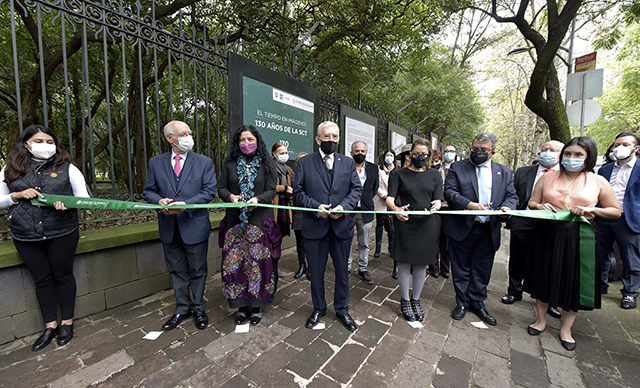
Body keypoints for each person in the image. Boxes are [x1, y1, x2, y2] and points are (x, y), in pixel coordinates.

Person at [525, 136, 620, 351]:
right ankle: (540, 320)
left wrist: (592, 210)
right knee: (543, 275)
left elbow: (615, 211)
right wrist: (540, 207)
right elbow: (532, 202)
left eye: (578, 155)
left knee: (574, 280)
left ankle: (566, 329)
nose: (571, 158)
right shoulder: (547, 178)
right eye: (568, 154)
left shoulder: (598, 181)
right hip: (547, 233)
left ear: (588, 158)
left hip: (580, 237)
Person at [0, 125, 89, 351]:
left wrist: (67, 203)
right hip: (25, 235)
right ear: (26, 143)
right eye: (40, 141)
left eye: (50, 142)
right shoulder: (9, 170)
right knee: (42, 279)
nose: (46, 146)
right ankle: (50, 326)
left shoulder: (67, 168)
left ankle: (67, 323)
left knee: (63, 276)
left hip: (62, 232)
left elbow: (84, 198)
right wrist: (16, 195)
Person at [143, 120, 217, 331]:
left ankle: (199, 308)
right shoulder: (156, 162)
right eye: (183, 134)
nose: (188, 137)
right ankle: (182, 308)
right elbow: (148, 191)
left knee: (198, 270)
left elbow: (209, 191)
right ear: (170, 138)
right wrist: (159, 201)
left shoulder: (203, 162)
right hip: (169, 226)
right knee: (176, 270)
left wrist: (188, 205)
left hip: (194, 225)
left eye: (189, 133)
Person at [294, 121, 362, 331]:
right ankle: (318, 308)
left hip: (341, 226)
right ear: (318, 139)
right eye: (326, 137)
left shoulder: (348, 163)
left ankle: (342, 309)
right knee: (316, 271)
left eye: (334, 137)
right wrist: (316, 207)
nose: (331, 140)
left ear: (339, 139)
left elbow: (356, 189)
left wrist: (343, 207)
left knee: (342, 271)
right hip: (315, 226)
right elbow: (298, 193)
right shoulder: (305, 163)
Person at [444, 133, 517, 326]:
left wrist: (507, 210)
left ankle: (477, 303)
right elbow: (450, 192)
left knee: (482, 270)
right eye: (474, 148)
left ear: (493, 151)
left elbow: (511, 197)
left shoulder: (505, 172)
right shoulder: (457, 168)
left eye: (483, 149)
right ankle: (462, 303)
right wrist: (469, 204)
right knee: (461, 268)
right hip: (463, 227)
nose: (477, 152)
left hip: (488, 229)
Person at [218, 125, 281, 326]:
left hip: (259, 220)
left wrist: (257, 199)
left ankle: (256, 305)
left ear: (257, 141)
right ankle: (240, 305)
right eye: (242, 140)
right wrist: (230, 196)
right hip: (235, 222)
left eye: (250, 139)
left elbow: (272, 190)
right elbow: (221, 188)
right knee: (235, 264)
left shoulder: (266, 164)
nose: (246, 143)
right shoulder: (230, 164)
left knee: (258, 263)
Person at [501, 141, 564, 320]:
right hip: (524, 220)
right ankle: (514, 291)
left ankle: (549, 300)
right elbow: (512, 194)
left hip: (552, 225)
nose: (547, 153)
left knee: (549, 261)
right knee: (517, 258)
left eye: (553, 150)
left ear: (561, 154)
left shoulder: (565, 175)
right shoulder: (523, 172)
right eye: (544, 149)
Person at [386, 139, 442, 321]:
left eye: (424, 155)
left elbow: (438, 199)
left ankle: (416, 299)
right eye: (416, 154)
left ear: (428, 156)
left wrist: (438, 204)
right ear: (410, 155)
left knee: (421, 264)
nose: (420, 157)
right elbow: (390, 198)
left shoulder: (434, 175)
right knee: (404, 263)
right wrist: (396, 211)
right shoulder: (398, 174)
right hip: (406, 222)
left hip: (426, 225)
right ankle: (405, 299)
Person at [597, 132, 640, 309]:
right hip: (604, 217)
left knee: (630, 258)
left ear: (636, 148)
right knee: (600, 254)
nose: (618, 148)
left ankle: (630, 293)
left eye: (624, 144)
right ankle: (600, 286)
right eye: (616, 145)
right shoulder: (605, 169)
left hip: (628, 219)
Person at [347, 141, 379, 284]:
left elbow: (374, 188)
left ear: (366, 152)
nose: (360, 154)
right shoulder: (346, 167)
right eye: (357, 151)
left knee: (364, 242)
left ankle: (362, 269)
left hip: (365, 210)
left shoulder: (373, 168)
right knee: (346, 241)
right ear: (351, 152)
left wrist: (364, 201)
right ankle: (346, 267)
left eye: (362, 151)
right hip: (348, 211)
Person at [374, 149, 397, 278]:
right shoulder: (379, 169)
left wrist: (391, 197)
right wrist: (383, 195)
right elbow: (376, 184)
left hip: (392, 203)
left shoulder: (397, 170)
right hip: (381, 200)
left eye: (391, 155)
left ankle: (391, 249)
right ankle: (377, 248)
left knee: (392, 228)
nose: (389, 157)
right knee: (379, 224)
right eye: (387, 155)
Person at [428, 150, 450, 279]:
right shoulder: (429, 172)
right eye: (433, 161)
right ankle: (433, 267)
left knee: (446, 241)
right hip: (434, 208)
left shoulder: (450, 171)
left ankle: (446, 268)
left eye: (437, 160)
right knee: (434, 239)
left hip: (448, 209)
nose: (435, 163)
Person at [271, 142, 294, 243]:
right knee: (272, 235)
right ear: (275, 154)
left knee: (280, 236)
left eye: (286, 152)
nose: (285, 155)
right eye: (282, 153)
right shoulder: (270, 168)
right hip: (274, 205)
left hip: (285, 204)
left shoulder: (288, 169)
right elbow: (269, 187)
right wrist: (284, 188)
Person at [292, 152, 309, 279]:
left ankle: (312, 268)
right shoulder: (293, 178)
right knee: (300, 242)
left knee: (312, 243)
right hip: (298, 214)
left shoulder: (315, 177)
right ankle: (302, 265)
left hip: (312, 214)